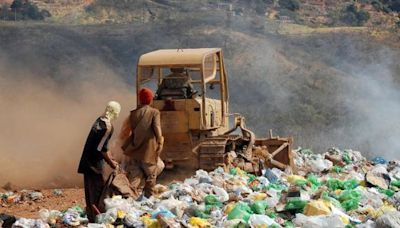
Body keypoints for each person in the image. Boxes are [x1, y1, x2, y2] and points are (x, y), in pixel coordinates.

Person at [77, 101, 120, 222]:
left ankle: (92, 219)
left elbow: (101, 145)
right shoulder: (108, 127)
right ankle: (98, 220)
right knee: (98, 194)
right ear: (115, 113)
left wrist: (110, 158)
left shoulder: (99, 120)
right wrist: (111, 163)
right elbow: (101, 149)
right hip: (94, 166)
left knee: (90, 194)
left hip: (86, 162)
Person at [119, 88, 164, 198]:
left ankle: (129, 198)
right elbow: (157, 128)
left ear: (140, 100)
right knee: (151, 175)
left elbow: (125, 132)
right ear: (150, 100)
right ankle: (149, 198)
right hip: (148, 151)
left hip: (134, 150)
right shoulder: (154, 112)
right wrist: (160, 140)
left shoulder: (133, 114)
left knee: (135, 177)